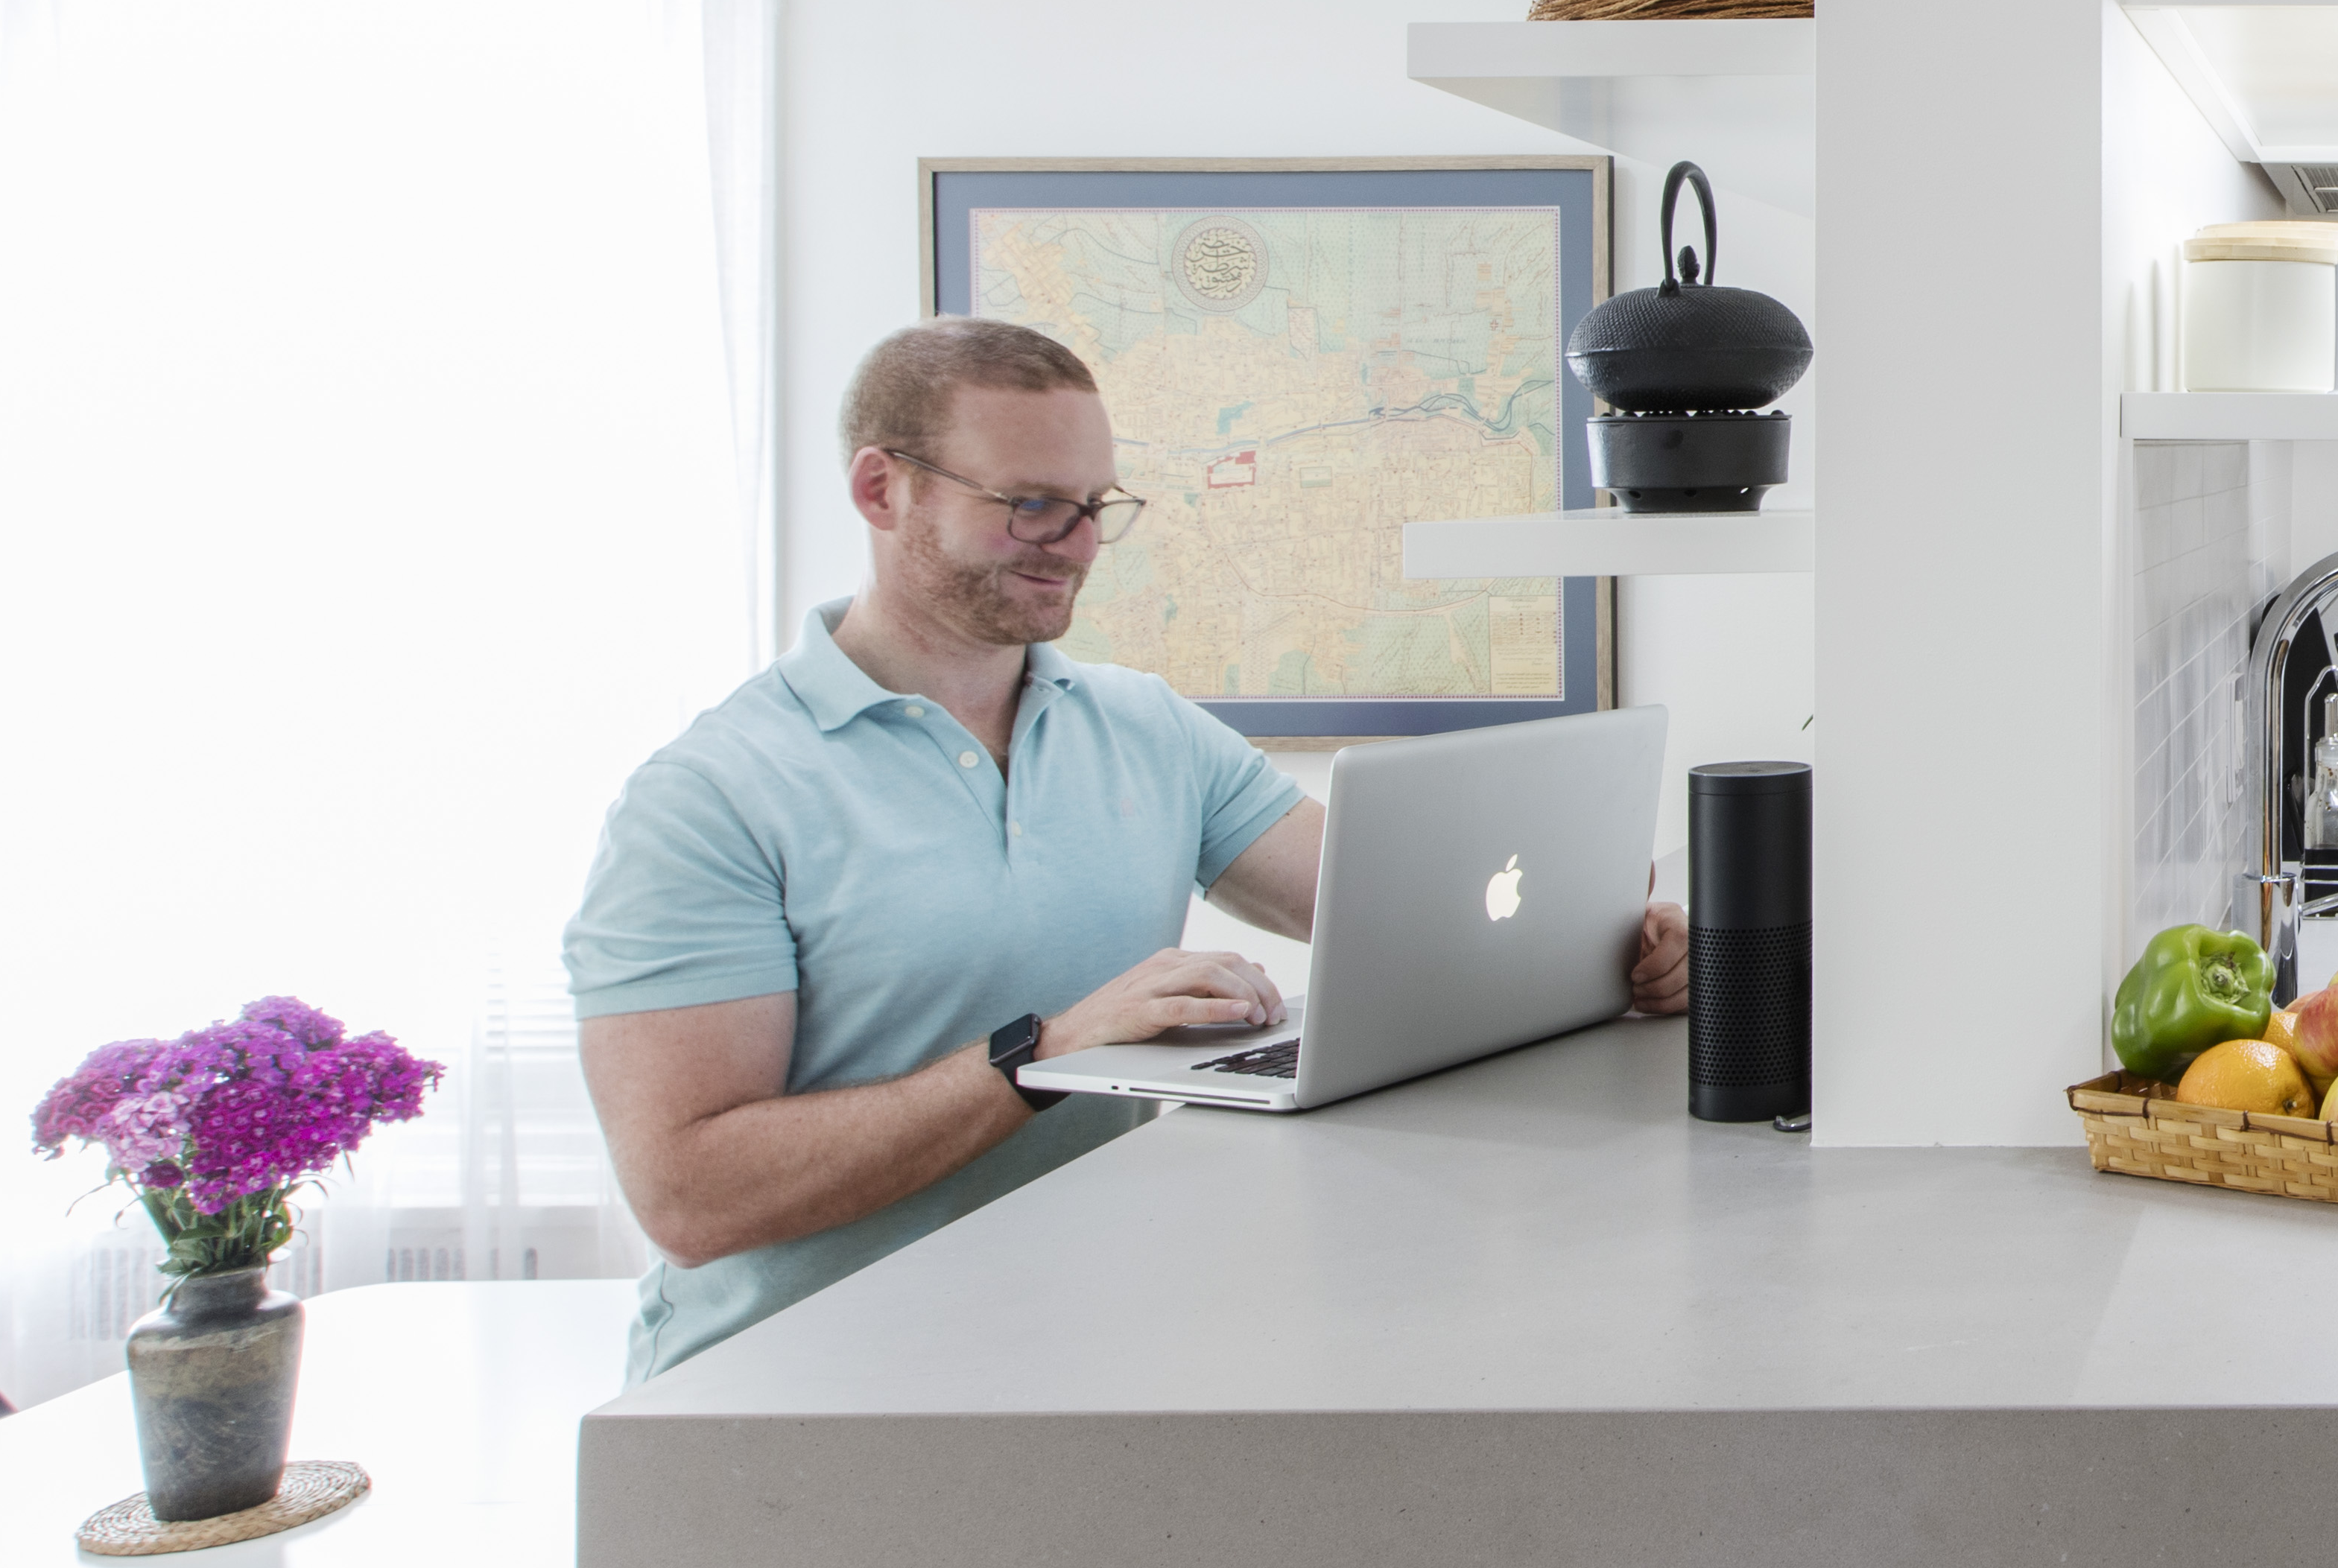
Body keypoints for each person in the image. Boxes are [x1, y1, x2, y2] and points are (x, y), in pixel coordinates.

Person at [571, 317, 1688, 1376]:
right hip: (783, 1393)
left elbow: (1384, 906)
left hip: (1079, 1342)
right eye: (1030, 505)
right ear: (881, 488)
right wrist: (1044, 1054)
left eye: (1097, 506)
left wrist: (1608, 934)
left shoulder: (1141, 726)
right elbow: (689, 1198)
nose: (1077, 546)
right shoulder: (710, 797)